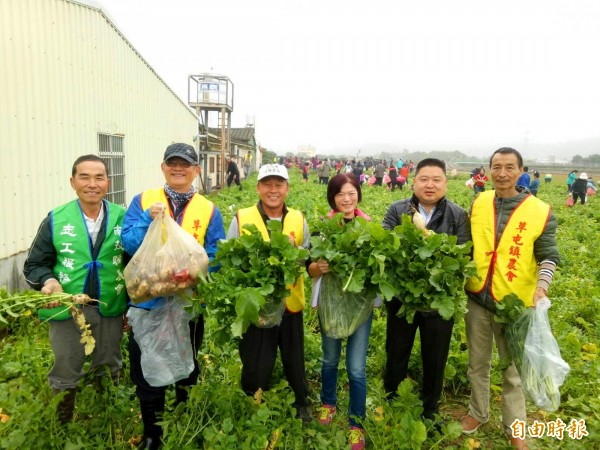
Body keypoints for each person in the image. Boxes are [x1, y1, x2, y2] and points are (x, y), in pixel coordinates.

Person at [122, 143, 225, 449]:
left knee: (187, 360)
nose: (179, 169)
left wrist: (193, 273)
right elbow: (128, 243)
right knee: (145, 365)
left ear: (196, 170)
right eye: (172, 164)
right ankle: (153, 432)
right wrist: (146, 219)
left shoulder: (208, 209)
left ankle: (182, 415)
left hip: (188, 303)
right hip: (148, 300)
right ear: (163, 167)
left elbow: (216, 253)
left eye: (186, 164)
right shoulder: (144, 201)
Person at [461, 147, 559, 450]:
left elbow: (549, 256)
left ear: (520, 171)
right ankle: (478, 413)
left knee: (513, 371)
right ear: (489, 170)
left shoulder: (540, 211)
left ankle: (515, 426)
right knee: (477, 364)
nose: (502, 173)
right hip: (477, 297)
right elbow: (466, 244)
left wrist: (542, 286)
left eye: (509, 167)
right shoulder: (479, 201)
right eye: (496, 167)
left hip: (515, 305)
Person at [23, 155, 128, 424]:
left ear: (108, 182)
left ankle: (106, 420)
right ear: (73, 182)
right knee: (66, 366)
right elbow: (35, 264)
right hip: (68, 310)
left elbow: (132, 261)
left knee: (109, 363)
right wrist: (48, 281)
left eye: (98, 177)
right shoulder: (57, 219)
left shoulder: (122, 217)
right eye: (84, 177)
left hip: (109, 306)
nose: (92, 184)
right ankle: (63, 424)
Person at [381, 158, 471, 424]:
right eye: (424, 179)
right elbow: (387, 246)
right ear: (414, 181)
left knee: (436, 357)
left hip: (439, 301)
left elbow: (464, 255)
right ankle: (392, 399)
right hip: (402, 298)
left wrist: (427, 238)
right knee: (396, 351)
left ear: (445, 183)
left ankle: (430, 407)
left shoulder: (457, 215)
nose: (430, 185)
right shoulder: (397, 209)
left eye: (436, 180)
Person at [226, 164, 312, 423]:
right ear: (258, 187)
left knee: (294, 355)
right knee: (255, 356)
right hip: (257, 303)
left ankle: (301, 400)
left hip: (290, 302)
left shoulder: (298, 218)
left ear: (287, 188)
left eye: (278, 184)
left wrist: (297, 253)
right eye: (267, 184)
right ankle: (253, 398)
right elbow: (230, 258)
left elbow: (306, 256)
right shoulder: (242, 217)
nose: (273, 190)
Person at [308, 174, 374, 450]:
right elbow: (309, 267)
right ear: (332, 198)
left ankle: (356, 423)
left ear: (358, 194)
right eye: (340, 194)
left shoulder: (368, 226)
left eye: (352, 193)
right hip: (332, 304)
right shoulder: (323, 226)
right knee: (329, 360)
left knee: (357, 368)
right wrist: (318, 268)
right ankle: (328, 404)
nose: (347, 199)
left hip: (359, 306)